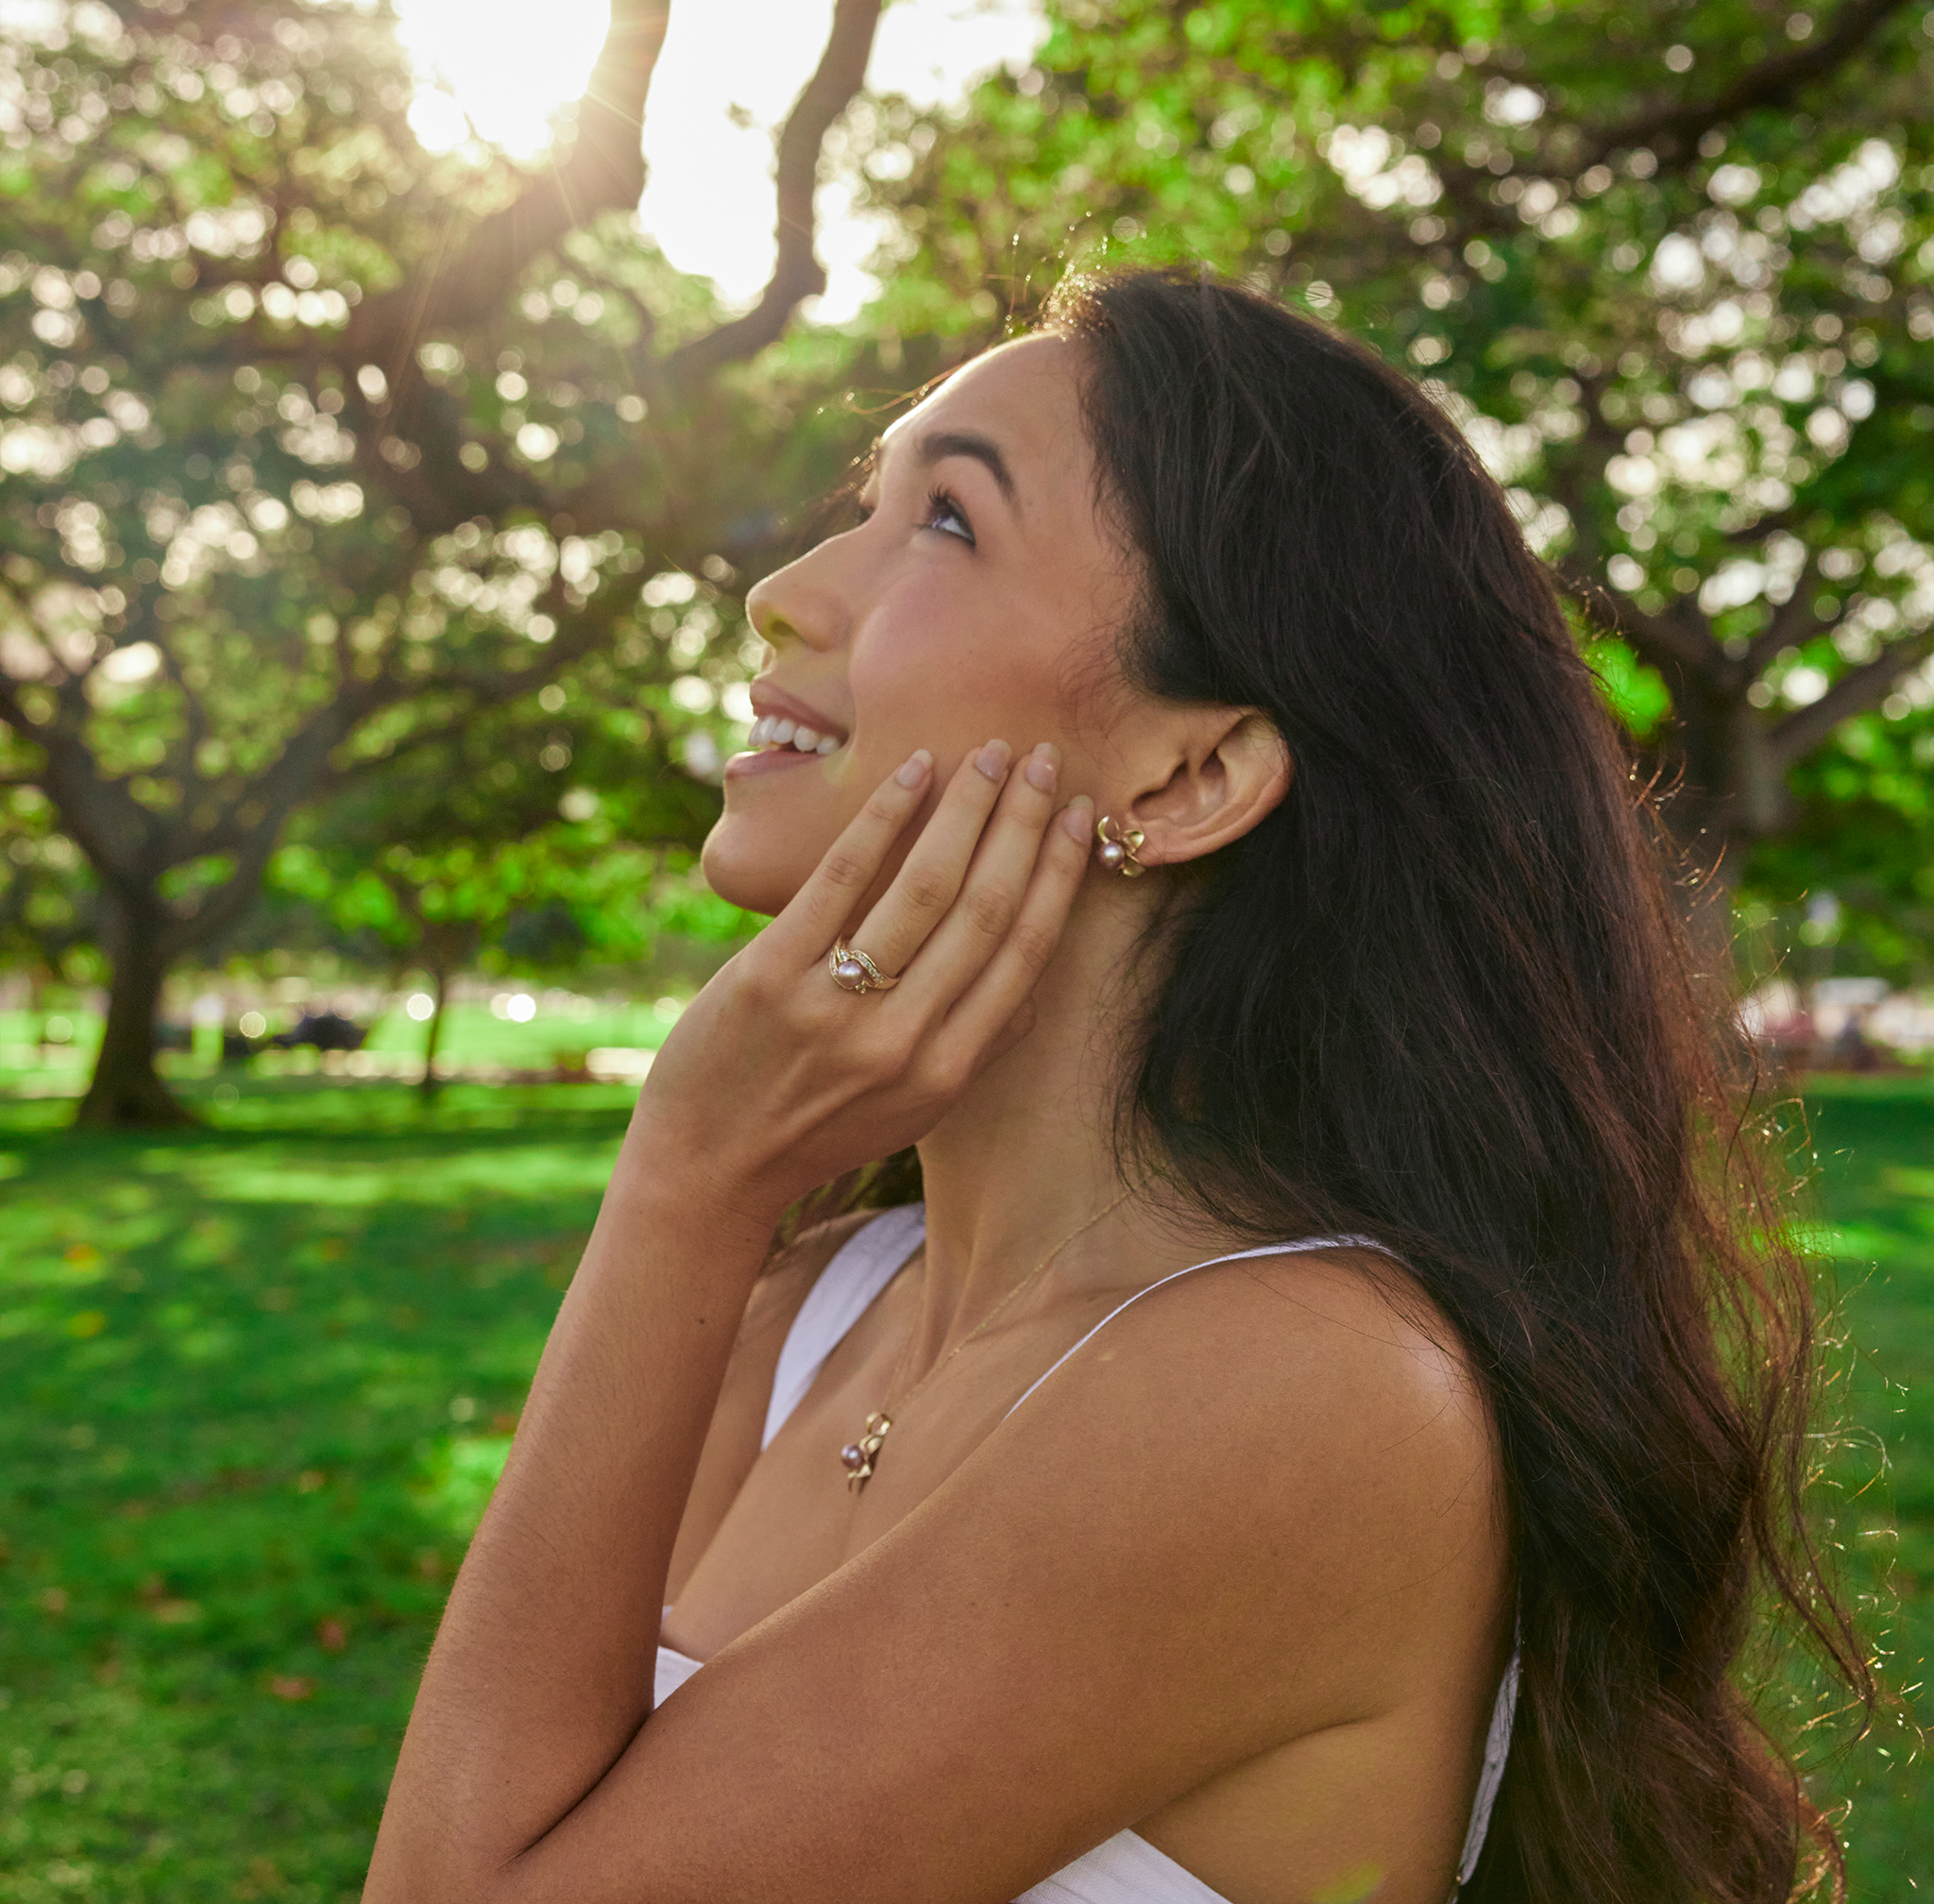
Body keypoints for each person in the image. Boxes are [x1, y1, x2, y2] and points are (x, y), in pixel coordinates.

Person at [364, 269, 1864, 1904]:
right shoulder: (810, 1305)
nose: (784, 592)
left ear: (1187, 773)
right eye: (864, 504)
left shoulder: (1298, 1395)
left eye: (943, 523)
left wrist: (685, 1176)